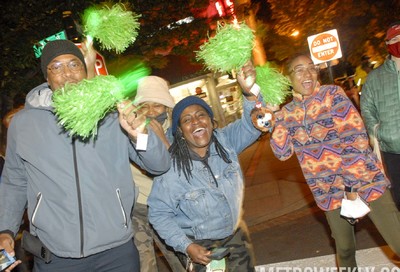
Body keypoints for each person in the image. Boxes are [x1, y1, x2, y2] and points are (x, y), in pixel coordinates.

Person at [0, 39, 170, 272]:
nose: (67, 74)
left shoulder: (111, 115)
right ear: (46, 78)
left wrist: (139, 134)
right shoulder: (23, 124)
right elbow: (14, 182)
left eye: (74, 64)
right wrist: (5, 230)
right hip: (56, 256)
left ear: (84, 71)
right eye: (56, 67)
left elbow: (159, 165)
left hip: (116, 252)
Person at [269, 53, 400, 269]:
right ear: (288, 79)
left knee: (397, 243)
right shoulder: (286, 114)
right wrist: (276, 120)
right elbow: (282, 153)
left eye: (311, 67)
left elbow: (355, 140)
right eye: (299, 69)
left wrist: (350, 187)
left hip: (365, 181)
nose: (308, 73)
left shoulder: (332, 94)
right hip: (328, 192)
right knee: (345, 249)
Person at [148, 62, 264, 272]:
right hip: (201, 248)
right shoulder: (171, 168)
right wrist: (187, 246)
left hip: (236, 235)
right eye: (187, 120)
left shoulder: (225, 141)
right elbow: (158, 213)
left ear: (211, 122)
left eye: (201, 115)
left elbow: (252, 124)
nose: (196, 122)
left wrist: (249, 93)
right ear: (181, 132)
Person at [131, 76, 185, 272]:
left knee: (179, 260)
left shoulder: (177, 130)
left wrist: (162, 140)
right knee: (144, 265)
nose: (152, 112)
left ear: (166, 107)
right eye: (145, 106)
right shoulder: (130, 130)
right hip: (137, 208)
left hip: (167, 208)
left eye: (158, 106)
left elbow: (181, 170)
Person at [361, 21, 400, 210]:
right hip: (392, 150)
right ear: (387, 44)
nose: (399, 42)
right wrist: (376, 131)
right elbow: (367, 108)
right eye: (395, 39)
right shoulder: (375, 78)